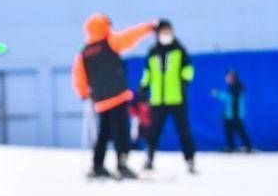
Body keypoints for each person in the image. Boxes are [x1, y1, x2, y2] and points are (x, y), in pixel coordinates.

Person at [71, 13, 159, 179]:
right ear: (104, 26)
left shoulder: (84, 53)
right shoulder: (110, 42)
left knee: (103, 133)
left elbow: (78, 75)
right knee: (121, 132)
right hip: (117, 96)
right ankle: (122, 163)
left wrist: (83, 93)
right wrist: (149, 27)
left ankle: (97, 165)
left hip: (100, 100)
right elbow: (131, 36)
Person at [140, 20, 197, 174]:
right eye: (163, 31)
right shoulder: (152, 51)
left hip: (177, 98)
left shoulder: (179, 50)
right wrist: (143, 86)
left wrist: (185, 81)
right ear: (157, 34)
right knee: (153, 131)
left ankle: (190, 160)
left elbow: (188, 69)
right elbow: (148, 73)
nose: (166, 34)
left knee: (183, 130)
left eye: (168, 31)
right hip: (158, 99)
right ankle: (149, 158)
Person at [212, 69, 253, 152]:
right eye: (227, 77)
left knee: (241, 131)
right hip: (229, 115)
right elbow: (228, 101)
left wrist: (218, 94)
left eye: (229, 77)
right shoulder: (231, 87)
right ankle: (230, 147)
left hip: (236, 115)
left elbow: (230, 99)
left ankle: (248, 146)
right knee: (228, 131)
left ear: (234, 78)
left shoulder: (238, 87)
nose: (227, 78)